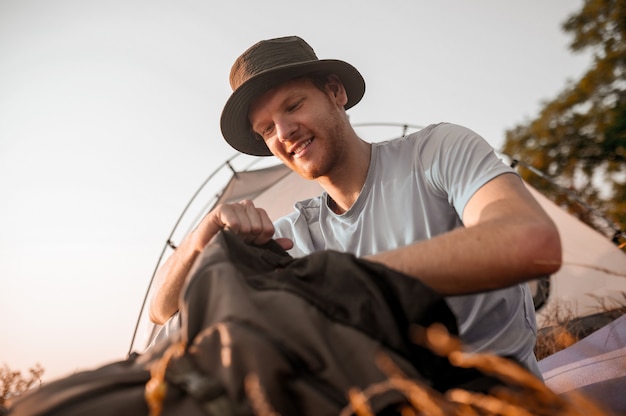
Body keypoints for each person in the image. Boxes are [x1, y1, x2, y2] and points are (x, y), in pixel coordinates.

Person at [149, 36, 562, 378]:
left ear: (335, 91)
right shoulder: (298, 235)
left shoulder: (436, 152)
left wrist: (340, 280)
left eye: (293, 106)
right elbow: (161, 311)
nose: (284, 132)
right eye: (266, 130)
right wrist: (205, 233)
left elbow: (532, 242)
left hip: (501, 397)